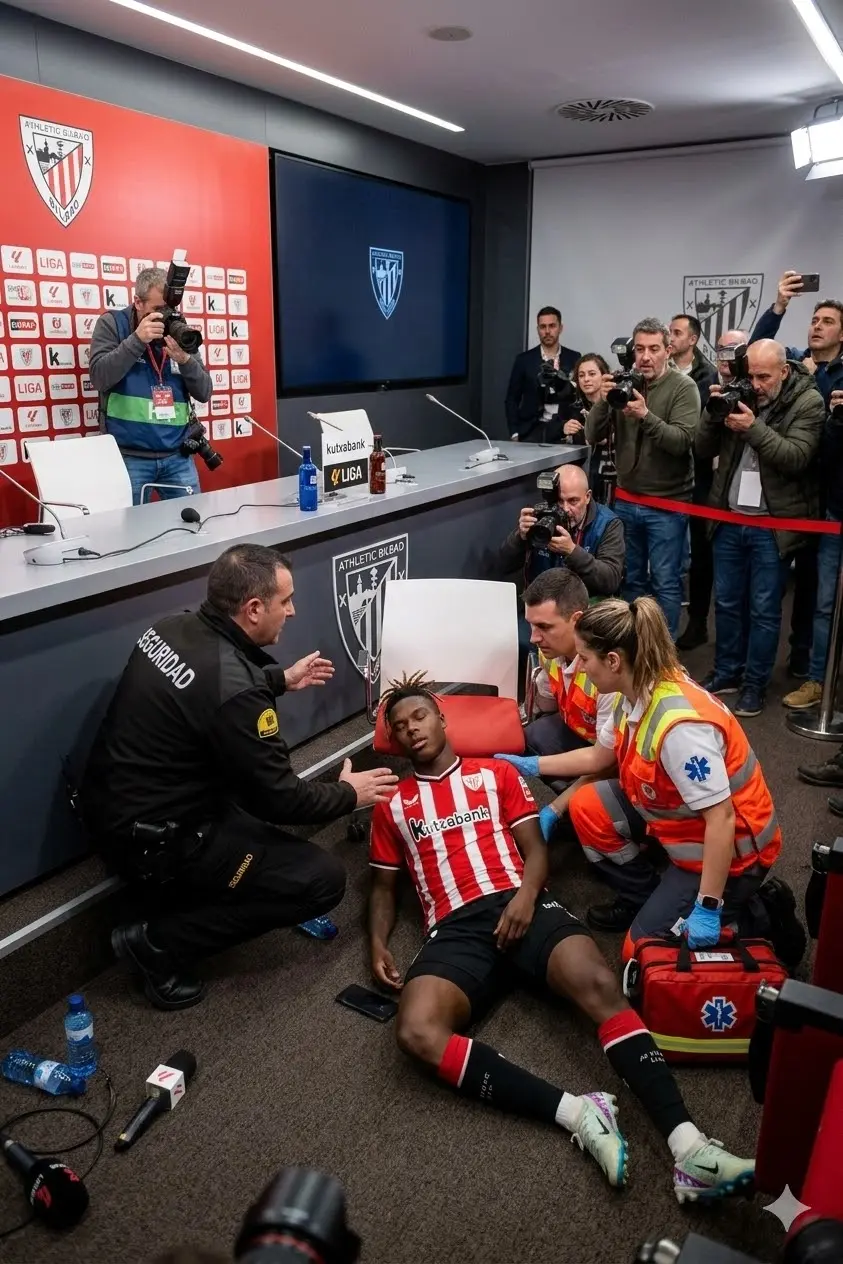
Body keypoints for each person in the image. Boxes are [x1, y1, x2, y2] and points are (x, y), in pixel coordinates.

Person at [368, 672, 755, 1202]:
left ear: (442, 719)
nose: (411, 729)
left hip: (517, 898)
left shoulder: (495, 775)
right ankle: (577, 1112)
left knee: (598, 981)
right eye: (400, 725)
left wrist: (528, 898)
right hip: (454, 925)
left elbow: (536, 850)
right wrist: (377, 942)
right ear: (394, 739)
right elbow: (384, 888)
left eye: (419, 716)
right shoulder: (391, 808)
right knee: (415, 1032)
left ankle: (689, 1148)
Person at [79, 543, 398, 1010]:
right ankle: (157, 941)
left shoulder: (170, 628)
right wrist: (349, 794)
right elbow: (282, 801)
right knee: (322, 880)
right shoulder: (237, 692)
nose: (292, 611)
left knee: (250, 817)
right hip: (156, 842)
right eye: (285, 601)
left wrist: (278, 680)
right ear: (253, 609)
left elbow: (205, 689)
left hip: (114, 807)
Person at [496, 598, 803, 971]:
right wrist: (529, 764)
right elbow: (598, 758)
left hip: (734, 854)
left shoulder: (681, 728)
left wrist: (707, 907)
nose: (578, 667)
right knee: (587, 807)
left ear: (612, 660)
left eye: (584, 658)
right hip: (682, 829)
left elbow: (721, 820)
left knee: (640, 954)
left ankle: (757, 916)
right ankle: (651, 898)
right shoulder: (634, 690)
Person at [696, 340, 824, 717]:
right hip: (731, 517)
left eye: (763, 377)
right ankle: (727, 671)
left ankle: (755, 685)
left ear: (784, 372)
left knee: (766, 609)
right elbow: (701, 449)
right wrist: (712, 411)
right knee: (728, 603)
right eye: (749, 375)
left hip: (772, 525)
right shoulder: (740, 391)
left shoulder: (808, 403)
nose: (755, 384)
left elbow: (796, 457)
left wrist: (752, 428)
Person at [752, 273, 843, 686]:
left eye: (827, 321)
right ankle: (802, 661)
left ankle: (817, 673)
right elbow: (754, 352)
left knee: (824, 595)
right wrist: (779, 307)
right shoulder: (794, 364)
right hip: (795, 494)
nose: (817, 326)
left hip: (833, 493)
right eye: (815, 319)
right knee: (803, 587)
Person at [585, 318, 700, 638]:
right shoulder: (627, 383)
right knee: (631, 579)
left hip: (668, 502)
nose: (645, 356)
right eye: (639, 349)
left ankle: (664, 658)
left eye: (653, 349)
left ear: (668, 351)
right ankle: (634, 650)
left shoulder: (683, 387)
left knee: (666, 582)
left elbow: (682, 442)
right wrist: (603, 401)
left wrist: (645, 416)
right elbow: (592, 434)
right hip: (627, 499)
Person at [89, 266, 213, 504]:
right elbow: (99, 377)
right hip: (128, 457)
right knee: (130, 533)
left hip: (178, 455)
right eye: (158, 310)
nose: (166, 316)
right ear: (138, 302)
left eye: (170, 309)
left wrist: (185, 360)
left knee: (191, 528)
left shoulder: (179, 329)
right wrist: (136, 340)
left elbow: (205, 392)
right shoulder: (113, 324)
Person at [521, 568, 617, 817]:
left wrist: (557, 806)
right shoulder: (550, 650)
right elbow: (547, 703)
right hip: (587, 737)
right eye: (531, 625)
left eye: (544, 626)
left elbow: (608, 760)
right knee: (531, 735)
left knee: (583, 806)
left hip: (616, 757)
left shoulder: (610, 672)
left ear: (577, 620)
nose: (533, 638)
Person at [676, 330, 747, 652]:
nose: (727, 355)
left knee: (740, 568)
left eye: (735, 350)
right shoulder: (703, 383)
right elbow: (697, 443)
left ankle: (737, 639)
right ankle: (698, 623)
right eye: (722, 349)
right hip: (705, 486)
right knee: (701, 562)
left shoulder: (754, 386)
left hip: (745, 487)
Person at [498, 463, 624, 596]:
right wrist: (520, 537)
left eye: (573, 501)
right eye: (559, 501)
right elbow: (504, 565)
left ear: (587, 497)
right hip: (542, 603)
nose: (565, 509)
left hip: (585, 607)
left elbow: (611, 581)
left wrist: (572, 551)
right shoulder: (542, 517)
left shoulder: (607, 524)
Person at [505, 306, 580, 444]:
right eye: (542, 327)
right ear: (537, 329)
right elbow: (511, 399)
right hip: (531, 430)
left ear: (560, 328)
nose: (547, 331)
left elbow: (578, 397)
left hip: (564, 429)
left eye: (552, 326)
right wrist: (514, 432)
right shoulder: (524, 360)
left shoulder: (574, 358)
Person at [564, 353, 612, 499]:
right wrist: (564, 428)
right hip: (583, 477)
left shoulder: (615, 405)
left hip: (611, 478)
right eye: (581, 375)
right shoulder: (574, 408)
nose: (586, 379)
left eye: (592, 374)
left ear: (604, 376)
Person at [668, 315, 718, 410]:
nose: (670, 338)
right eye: (669, 332)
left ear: (692, 340)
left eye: (677, 333)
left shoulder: (707, 374)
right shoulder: (658, 364)